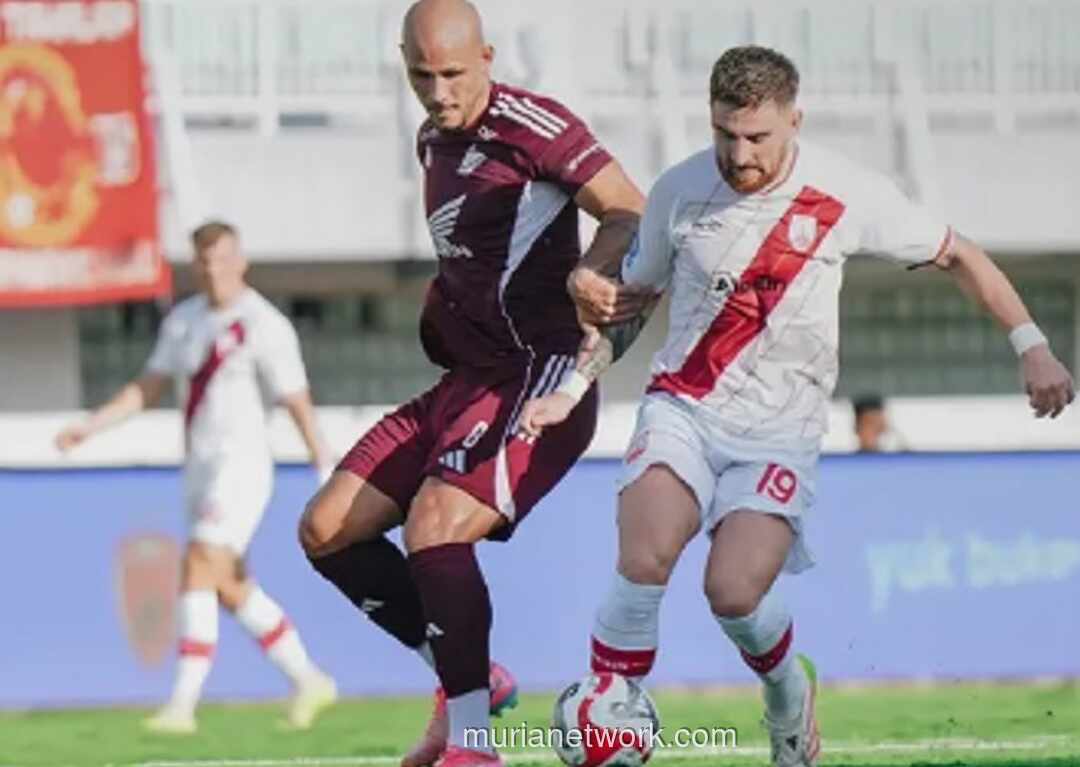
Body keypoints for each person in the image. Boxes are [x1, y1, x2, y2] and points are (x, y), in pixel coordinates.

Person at [519, 45, 1075, 767]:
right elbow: (631, 305)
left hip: (780, 433)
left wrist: (1031, 344)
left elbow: (958, 252)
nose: (739, 153)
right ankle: (612, 717)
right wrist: (569, 388)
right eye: (725, 133)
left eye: (758, 137)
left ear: (794, 121)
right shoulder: (680, 192)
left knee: (732, 590)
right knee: (645, 551)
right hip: (682, 407)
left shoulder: (845, 192)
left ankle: (787, 693)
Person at [296, 2, 646, 767]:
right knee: (325, 530)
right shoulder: (431, 138)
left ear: (486, 55)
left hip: (537, 372)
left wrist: (594, 268)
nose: (438, 90)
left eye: (453, 73)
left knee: (434, 525)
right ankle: (466, 678)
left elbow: (629, 208)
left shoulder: (537, 126)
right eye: (421, 74)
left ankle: (474, 744)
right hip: (468, 375)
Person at [55, 220, 338, 734]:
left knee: (198, 563)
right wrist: (91, 426)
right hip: (199, 469)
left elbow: (296, 397)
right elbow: (150, 385)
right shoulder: (184, 321)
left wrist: (323, 462)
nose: (215, 270)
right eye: (205, 261)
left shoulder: (264, 324)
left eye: (224, 258)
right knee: (228, 585)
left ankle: (182, 705)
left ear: (241, 260)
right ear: (196, 265)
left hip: (244, 467)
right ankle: (311, 679)